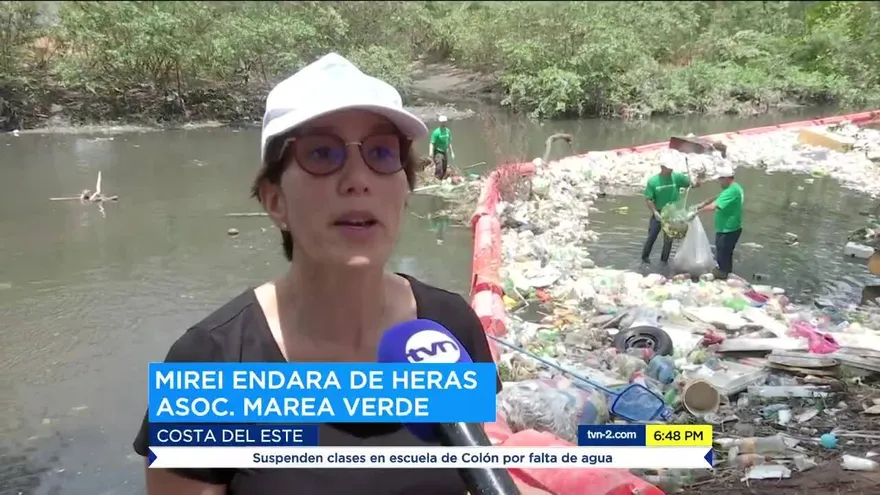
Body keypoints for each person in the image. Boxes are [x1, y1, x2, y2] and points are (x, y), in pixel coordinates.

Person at [132, 53, 551, 495]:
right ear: (276, 201)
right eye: (322, 153)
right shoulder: (211, 361)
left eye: (382, 153)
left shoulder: (449, 327)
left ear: (405, 189)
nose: (357, 180)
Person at [641, 156, 698, 264]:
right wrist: (655, 212)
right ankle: (644, 258)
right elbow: (648, 199)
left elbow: (691, 184)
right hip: (659, 212)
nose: (670, 170)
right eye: (668, 168)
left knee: (668, 239)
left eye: (671, 168)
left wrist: (695, 181)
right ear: (662, 167)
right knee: (651, 236)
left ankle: (664, 261)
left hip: (672, 214)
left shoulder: (677, 177)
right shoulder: (653, 181)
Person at [692, 165, 744, 279]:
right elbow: (719, 197)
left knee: (722, 251)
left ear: (727, 178)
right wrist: (704, 203)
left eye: (720, 179)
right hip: (732, 227)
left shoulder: (731, 191)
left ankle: (722, 273)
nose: (719, 182)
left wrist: (696, 213)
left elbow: (714, 206)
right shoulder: (735, 187)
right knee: (726, 252)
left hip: (728, 228)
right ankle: (726, 272)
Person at [428, 115, 455, 180]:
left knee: (444, 167)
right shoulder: (436, 132)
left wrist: (452, 152)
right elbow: (432, 143)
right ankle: (437, 180)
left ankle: (442, 180)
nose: (443, 123)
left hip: (444, 152)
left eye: (444, 122)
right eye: (442, 122)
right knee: (439, 167)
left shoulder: (447, 131)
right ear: (440, 122)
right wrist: (431, 152)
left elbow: (449, 142)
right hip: (438, 152)